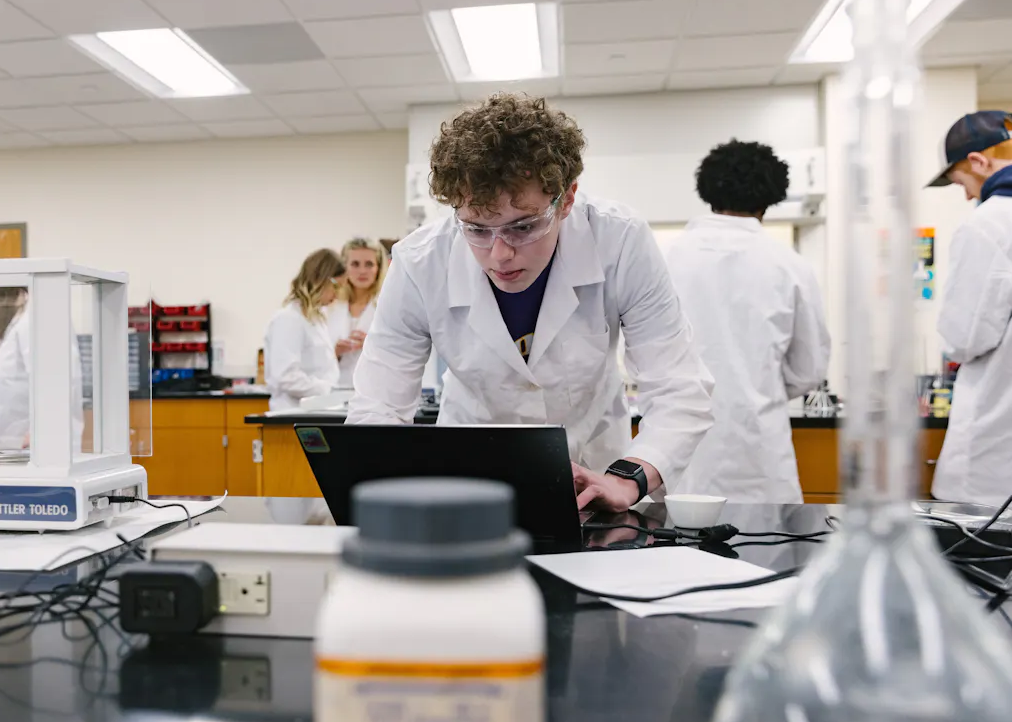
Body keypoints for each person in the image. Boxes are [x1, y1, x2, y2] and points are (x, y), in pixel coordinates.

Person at [347, 93, 714, 512]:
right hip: (467, 483)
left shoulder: (619, 240)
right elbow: (378, 406)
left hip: (594, 479)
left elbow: (679, 387)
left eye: (523, 226)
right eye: (477, 229)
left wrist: (631, 475)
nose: (500, 254)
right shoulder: (418, 262)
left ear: (567, 199)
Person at [666, 140, 830, 503]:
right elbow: (809, 369)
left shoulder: (667, 260)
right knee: (766, 554)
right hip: (760, 457)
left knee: (679, 553)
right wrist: (757, 387)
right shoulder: (791, 266)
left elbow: (643, 356)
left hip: (679, 456)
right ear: (770, 199)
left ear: (706, 192)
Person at [925, 111, 1012, 506]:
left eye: (961, 182)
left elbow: (963, 339)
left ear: (979, 161)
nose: (966, 195)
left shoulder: (988, 224)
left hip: (992, 462)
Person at [0, 285, 85, 452]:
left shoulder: (36, 320)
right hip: (12, 444)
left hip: (35, 447)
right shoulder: (13, 325)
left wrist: (41, 433)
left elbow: (55, 383)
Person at [263, 249, 346, 411]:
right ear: (320, 279)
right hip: (292, 413)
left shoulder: (316, 319)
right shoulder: (289, 319)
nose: (337, 295)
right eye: (336, 287)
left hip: (315, 411)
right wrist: (327, 390)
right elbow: (286, 377)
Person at [325, 237, 389, 387]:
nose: (362, 271)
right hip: (334, 390)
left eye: (369, 264)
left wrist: (372, 343)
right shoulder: (330, 305)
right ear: (344, 267)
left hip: (375, 389)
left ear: (378, 268)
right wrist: (335, 351)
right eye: (355, 264)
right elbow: (314, 358)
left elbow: (403, 352)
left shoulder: (387, 304)